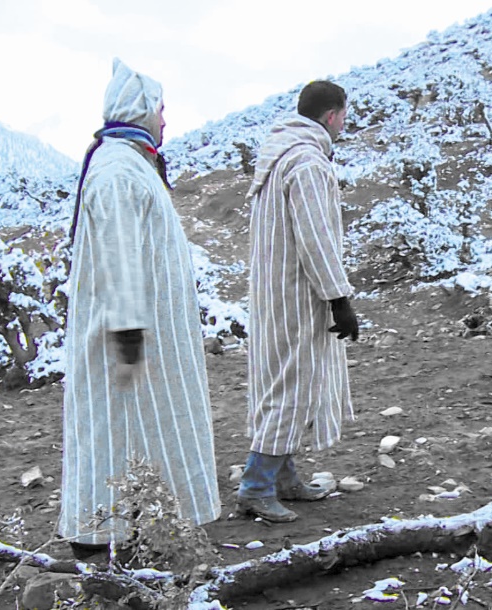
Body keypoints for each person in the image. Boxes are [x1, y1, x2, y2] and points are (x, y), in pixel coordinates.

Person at [59, 59, 220, 558]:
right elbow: (116, 249)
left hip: (145, 335)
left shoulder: (128, 164)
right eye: (161, 109)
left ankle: (141, 534)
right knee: (115, 433)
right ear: (141, 111)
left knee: (145, 431)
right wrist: (128, 329)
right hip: (125, 337)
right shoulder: (115, 171)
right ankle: (99, 541)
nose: (166, 120)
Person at [238, 80, 359, 522]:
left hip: (275, 291)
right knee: (293, 383)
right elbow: (316, 238)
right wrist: (339, 297)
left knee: (285, 381)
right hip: (297, 293)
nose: (345, 122)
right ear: (330, 116)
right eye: (343, 114)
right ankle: (255, 486)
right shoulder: (307, 163)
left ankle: (285, 477)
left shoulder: (280, 157)